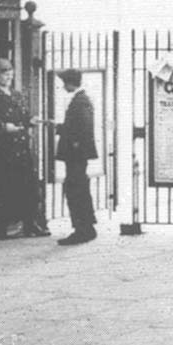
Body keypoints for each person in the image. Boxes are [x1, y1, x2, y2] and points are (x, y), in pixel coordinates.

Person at [0, 58, 49, 239]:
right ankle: (1, 228)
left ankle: (30, 224)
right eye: (5, 74)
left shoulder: (17, 95)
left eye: (10, 74)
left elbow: (23, 115)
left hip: (20, 147)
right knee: (2, 188)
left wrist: (30, 121)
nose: (9, 77)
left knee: (27, 186)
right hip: (0, 150)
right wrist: (3, 128)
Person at [53, 68, 98, 245]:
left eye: (65, 83)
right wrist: (60, 127)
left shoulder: (80, 101)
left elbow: (82, 129)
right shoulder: (81, 100)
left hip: (76, 155)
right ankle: (87, 227)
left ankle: (82, 229)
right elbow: (77, 126)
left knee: (75, 190)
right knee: (79, 189)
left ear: (71, 82)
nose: (64, 87)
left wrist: (73, 143)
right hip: (78, 154)